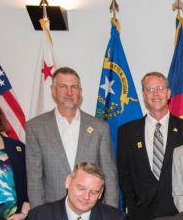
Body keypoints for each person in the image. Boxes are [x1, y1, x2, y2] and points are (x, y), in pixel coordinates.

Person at [25, 67, 118, 208]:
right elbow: (34, 179)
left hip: (92, 212)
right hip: (53, 212)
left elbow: (109, 176)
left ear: (80, 92)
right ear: (53, 90)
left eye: (74, 87)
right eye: (63, 86)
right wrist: (39, 218)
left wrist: (111, 215)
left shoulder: (100, 127)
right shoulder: (35, 127)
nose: (69, 92)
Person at [116, 72, 183, 220]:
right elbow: (124, 174)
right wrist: (132, 208)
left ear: (169, 93)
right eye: (150, 89)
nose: (156, 94)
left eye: (160, 88)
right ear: (144, 95)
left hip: (178, 218)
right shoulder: (127, 131)